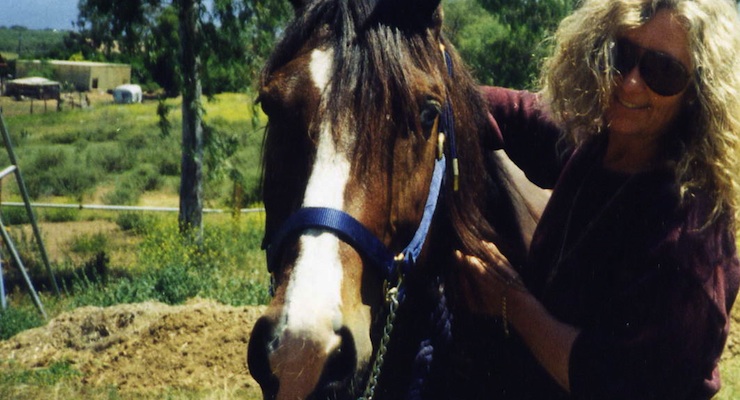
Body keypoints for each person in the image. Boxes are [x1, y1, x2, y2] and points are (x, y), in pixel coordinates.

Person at [455, 0, 740, 398]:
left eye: (663, 71)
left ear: (697, 93)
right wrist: (441, 77)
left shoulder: (689, 240)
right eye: (620, 56)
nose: (630, 83)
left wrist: (510, 300)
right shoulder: (608, 143)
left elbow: (612, 382)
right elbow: (523, 116)